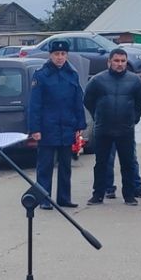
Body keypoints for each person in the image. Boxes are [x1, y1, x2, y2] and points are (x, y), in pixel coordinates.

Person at [84, 47, 141, 205]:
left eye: (123, 61)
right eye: (116, 61)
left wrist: (134, 118)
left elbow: (140, 102)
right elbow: (88, 101)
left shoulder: (135, 81)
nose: (119, 64)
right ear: (109, 62)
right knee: (101, 164)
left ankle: (129, 195)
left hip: (125, 129)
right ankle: (98, 194)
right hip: (103, 128)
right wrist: (97, 116)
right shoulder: (97, 80)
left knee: (128, 163)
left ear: (126, 62)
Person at [28, 39, 85, 208]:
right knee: (45, 166)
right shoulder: (41, 75)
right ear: (50, 55)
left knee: (66, 166)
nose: (60, 57)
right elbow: (35, 105)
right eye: (56, 54)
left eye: (63, 54)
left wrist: (79, 125)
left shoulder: (72, 75)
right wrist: (35, 129)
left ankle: (64, 198)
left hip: (67, 126)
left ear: (66, 55)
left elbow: (77, 101)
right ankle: (44, 199)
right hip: (47, 127)